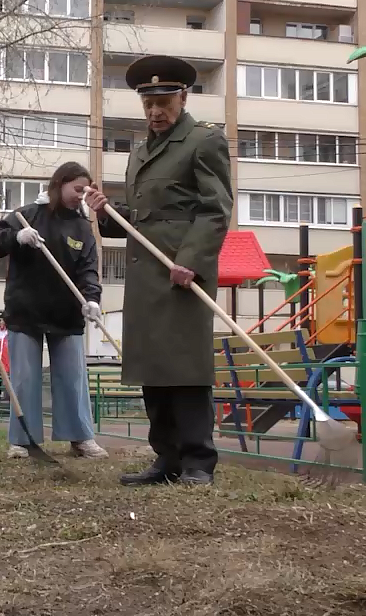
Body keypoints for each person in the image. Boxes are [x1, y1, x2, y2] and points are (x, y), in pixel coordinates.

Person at [83, 54, 232, 487]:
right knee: (153, 368)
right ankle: (165, 458)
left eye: (164, 101)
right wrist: (109, 213)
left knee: (185, 368)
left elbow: (215, 209)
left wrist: (191, 259)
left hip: (182, 274)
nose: (155, 111)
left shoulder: (204, 141)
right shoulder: (141, 151)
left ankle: (197, 461)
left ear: (183, 97)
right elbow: (143, 220)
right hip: (145, 274)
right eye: (148, 103)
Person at [0, 162, 109, 461]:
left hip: (66, 314)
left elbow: (88, 270)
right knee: (25, 378)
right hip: (25, 311)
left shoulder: (83, 227)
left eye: (86, 191)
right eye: (77, 189)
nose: (80, 196)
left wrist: (92, 299)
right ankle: (23, 441)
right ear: (59, 184)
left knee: (72, 377)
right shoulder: (27, 215)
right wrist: (17, 238)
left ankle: (80, 438)